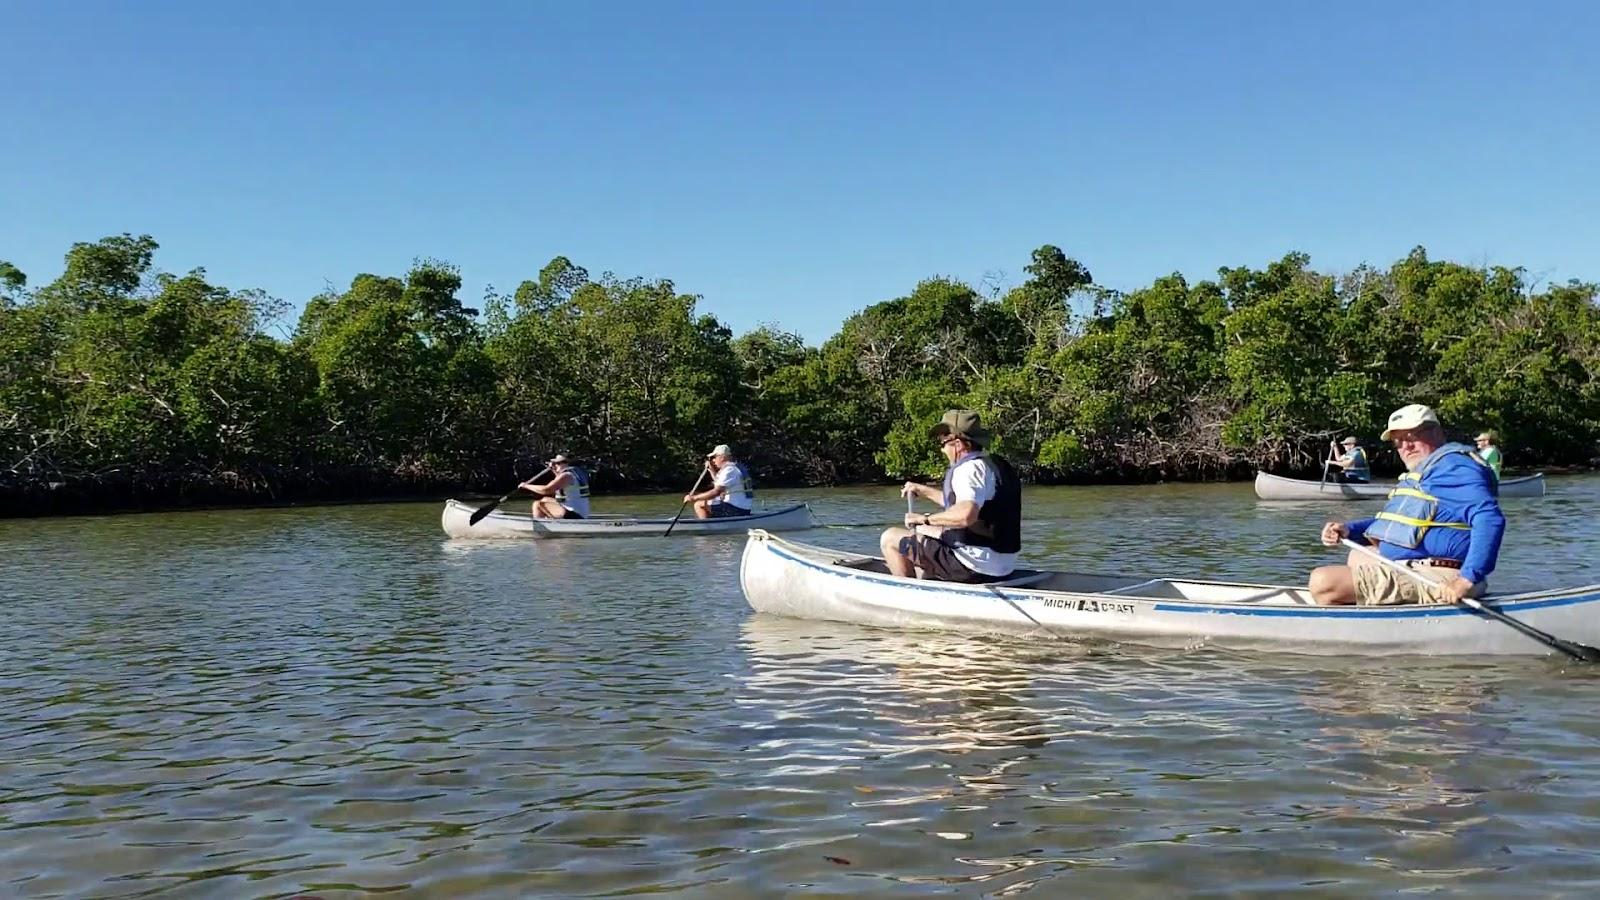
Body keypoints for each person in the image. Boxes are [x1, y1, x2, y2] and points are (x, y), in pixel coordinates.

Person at [1309, 404, 1505, 606]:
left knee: (1323, 582)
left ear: (1436, 432)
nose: (1406, 447)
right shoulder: (1429, 469)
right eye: (1399, 442)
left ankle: (1367, 633)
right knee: (1358, 555)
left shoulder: (1452, 466)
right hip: (1416, 566)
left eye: (1412, 437)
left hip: (1439, 576)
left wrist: (1466, 580)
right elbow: (1395, 524)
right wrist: (1349, 530)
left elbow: (1489, 519)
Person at [880, 409, 1021, 583]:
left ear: (958, 444)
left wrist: (925, 519)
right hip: (1003, 566)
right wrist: (923, 491)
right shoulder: (993, 465)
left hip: (973, 567)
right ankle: (929, 575)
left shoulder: (968, 470)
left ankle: (909, 595)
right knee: (922, 531)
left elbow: (966, 515)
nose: (942, 450)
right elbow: (959, 504)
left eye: (943, 442)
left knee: (890, 538)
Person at [685, 444, 755, 518]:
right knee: (712, 502)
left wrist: (693, 498)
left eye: (715, 457)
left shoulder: (729, 470)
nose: (713, 460)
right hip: (743, 508)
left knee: (698, 504)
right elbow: (719, 483)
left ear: (722, 457)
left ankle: (706, 527)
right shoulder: (735, 467)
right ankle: (711, 522)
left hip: (736, 509)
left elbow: (716, 492)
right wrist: (711, 470)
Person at [520, 454, 590, 519]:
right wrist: (553, 469)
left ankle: (540, 530)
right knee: (545, 499)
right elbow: (558, 480)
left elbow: (546, 490)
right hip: (578, 514)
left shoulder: (567, 476)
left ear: (566, 463)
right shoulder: (577, 473)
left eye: (558, 463)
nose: (555, 465)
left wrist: (526, 485)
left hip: (575, 516)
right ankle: (546, 524)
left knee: (538, 504)